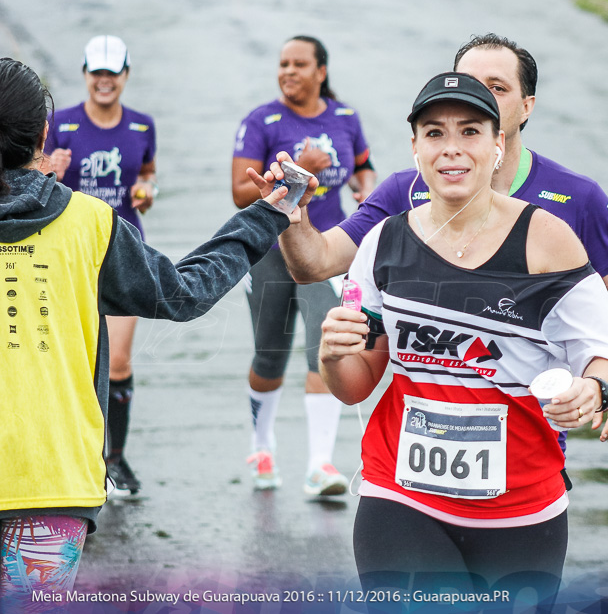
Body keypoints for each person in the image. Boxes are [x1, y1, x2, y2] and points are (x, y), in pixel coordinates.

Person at [253, 72, 608, 600]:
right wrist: (333, 355)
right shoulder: (385, 242)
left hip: (521, 508)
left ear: (498, 145)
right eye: (434, 133)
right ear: (415, 148)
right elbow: (356, 384)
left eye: (470, 131)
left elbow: (605, 355)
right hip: (400, 497)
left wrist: (596, 389)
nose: (452, 149)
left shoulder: (548, 240)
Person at [0, 57, 303, 604]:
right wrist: (264, 216)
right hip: (52, 484)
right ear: (43, 136)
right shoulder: (88, 223)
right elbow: (183, 292)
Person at [276, 34, 608, 445]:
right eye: (466, 81)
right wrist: (292, 217)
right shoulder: (407, 191)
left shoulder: (575, 197)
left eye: (497, 87)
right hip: (416, 446)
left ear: (526, 108)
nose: (477, 94)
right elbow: (315, 262)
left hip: (526, 442)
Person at [231, 35, 376, 496]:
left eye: (299, 64)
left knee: (325, 348)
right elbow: (239, 191)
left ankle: (320, 465)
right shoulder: (262, 120)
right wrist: (298, 170)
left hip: (327, 254)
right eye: (283, 64)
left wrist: (364, 188)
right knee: (269, 356)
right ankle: (261, 444)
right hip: (270, 255)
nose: (288, 71)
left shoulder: (345, 117)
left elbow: (364, 164)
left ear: (321, 72)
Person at [42, 35, 158, 497]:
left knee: (119, 361)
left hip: (120, 248)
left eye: (114, 73)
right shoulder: (59, 123)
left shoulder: (142, 127)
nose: (105, 81)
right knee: (73, 360)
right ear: (86, 74)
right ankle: (77, 458)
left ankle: (115, 460)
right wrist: (52, 169)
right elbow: (31, 180)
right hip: (68, 252)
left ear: (126, 75)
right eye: (97, 73)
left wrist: (147, 192)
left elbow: (147, 174)